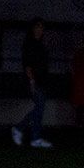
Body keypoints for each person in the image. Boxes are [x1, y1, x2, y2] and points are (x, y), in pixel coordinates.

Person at [11, 18, 53, 148]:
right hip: (35, 81)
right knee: (39, 108)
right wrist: (31, 81)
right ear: (33, 28)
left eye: (42, 28)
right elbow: (28, 65)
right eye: (38, 27)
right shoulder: (30, 44)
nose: (40, 30)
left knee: (39, 109)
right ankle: (21, 130)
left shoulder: (39, 43)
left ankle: (32, 136)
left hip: (42, 80)